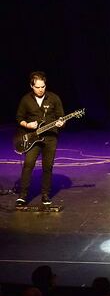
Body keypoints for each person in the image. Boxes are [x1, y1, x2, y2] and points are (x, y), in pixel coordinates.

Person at [15, 71, 65, 207]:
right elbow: (19, 118)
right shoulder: (26, 100)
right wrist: (27, 124)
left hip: (50, 138)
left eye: (43, 86)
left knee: (47, 167)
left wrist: (61, 122)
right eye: (37, 87)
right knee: (28, 164)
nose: (41, 89)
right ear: (31, 86)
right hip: (33, 138)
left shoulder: (54, 98)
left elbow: (61, 116)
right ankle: (23, 195)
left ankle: (45, 195)